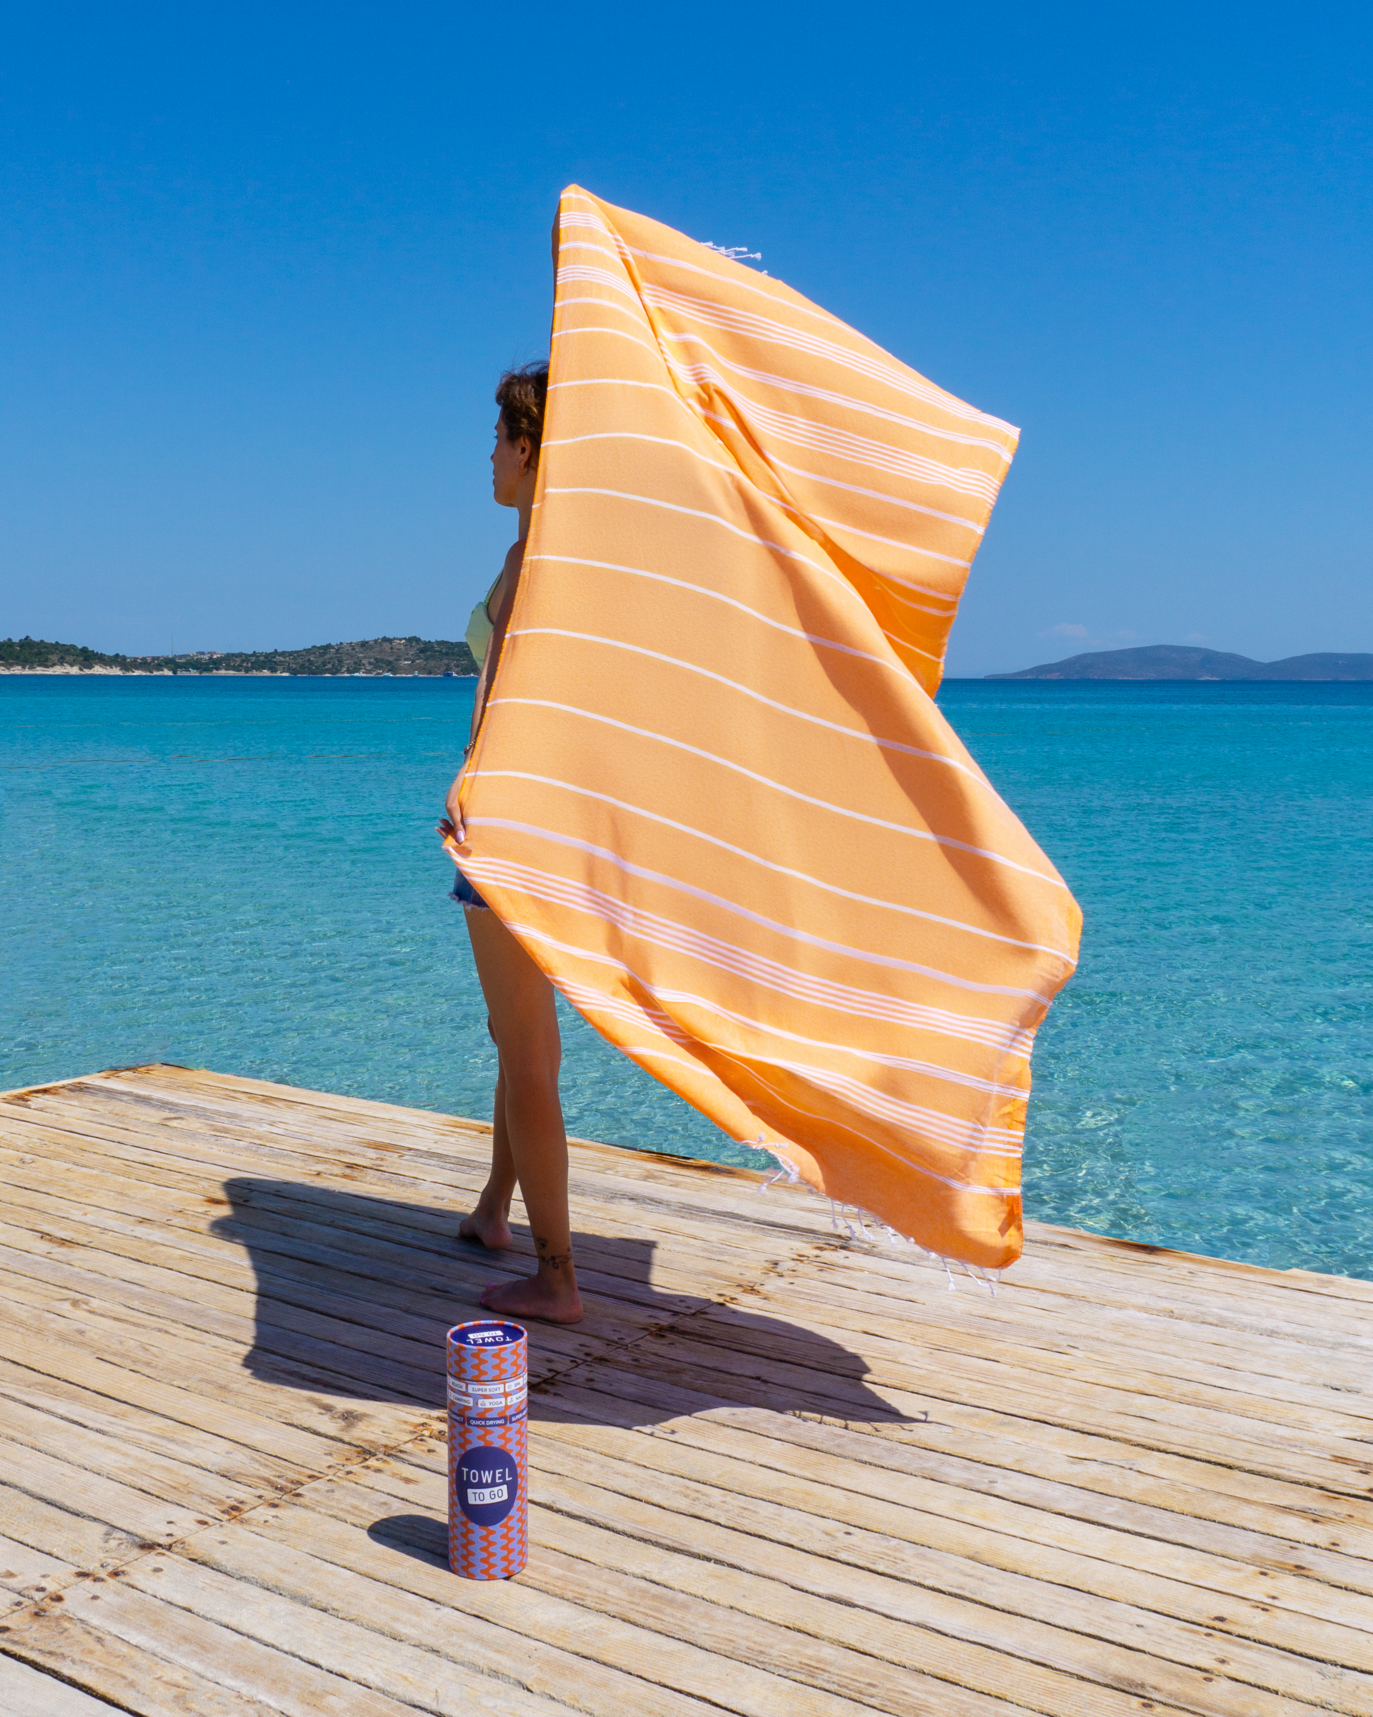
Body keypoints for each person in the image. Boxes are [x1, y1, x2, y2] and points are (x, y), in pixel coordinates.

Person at [437, 363, 583, 1325]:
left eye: (497, 438)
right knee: (517, 1036)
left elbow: (507, 695)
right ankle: (496, 1208)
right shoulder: (544, 552)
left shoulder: (538, 563)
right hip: (543, 819)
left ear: (528, 449)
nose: (487, 455)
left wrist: (470, 785)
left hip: (511, 825)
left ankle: (557, 1274)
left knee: (527, 1051)